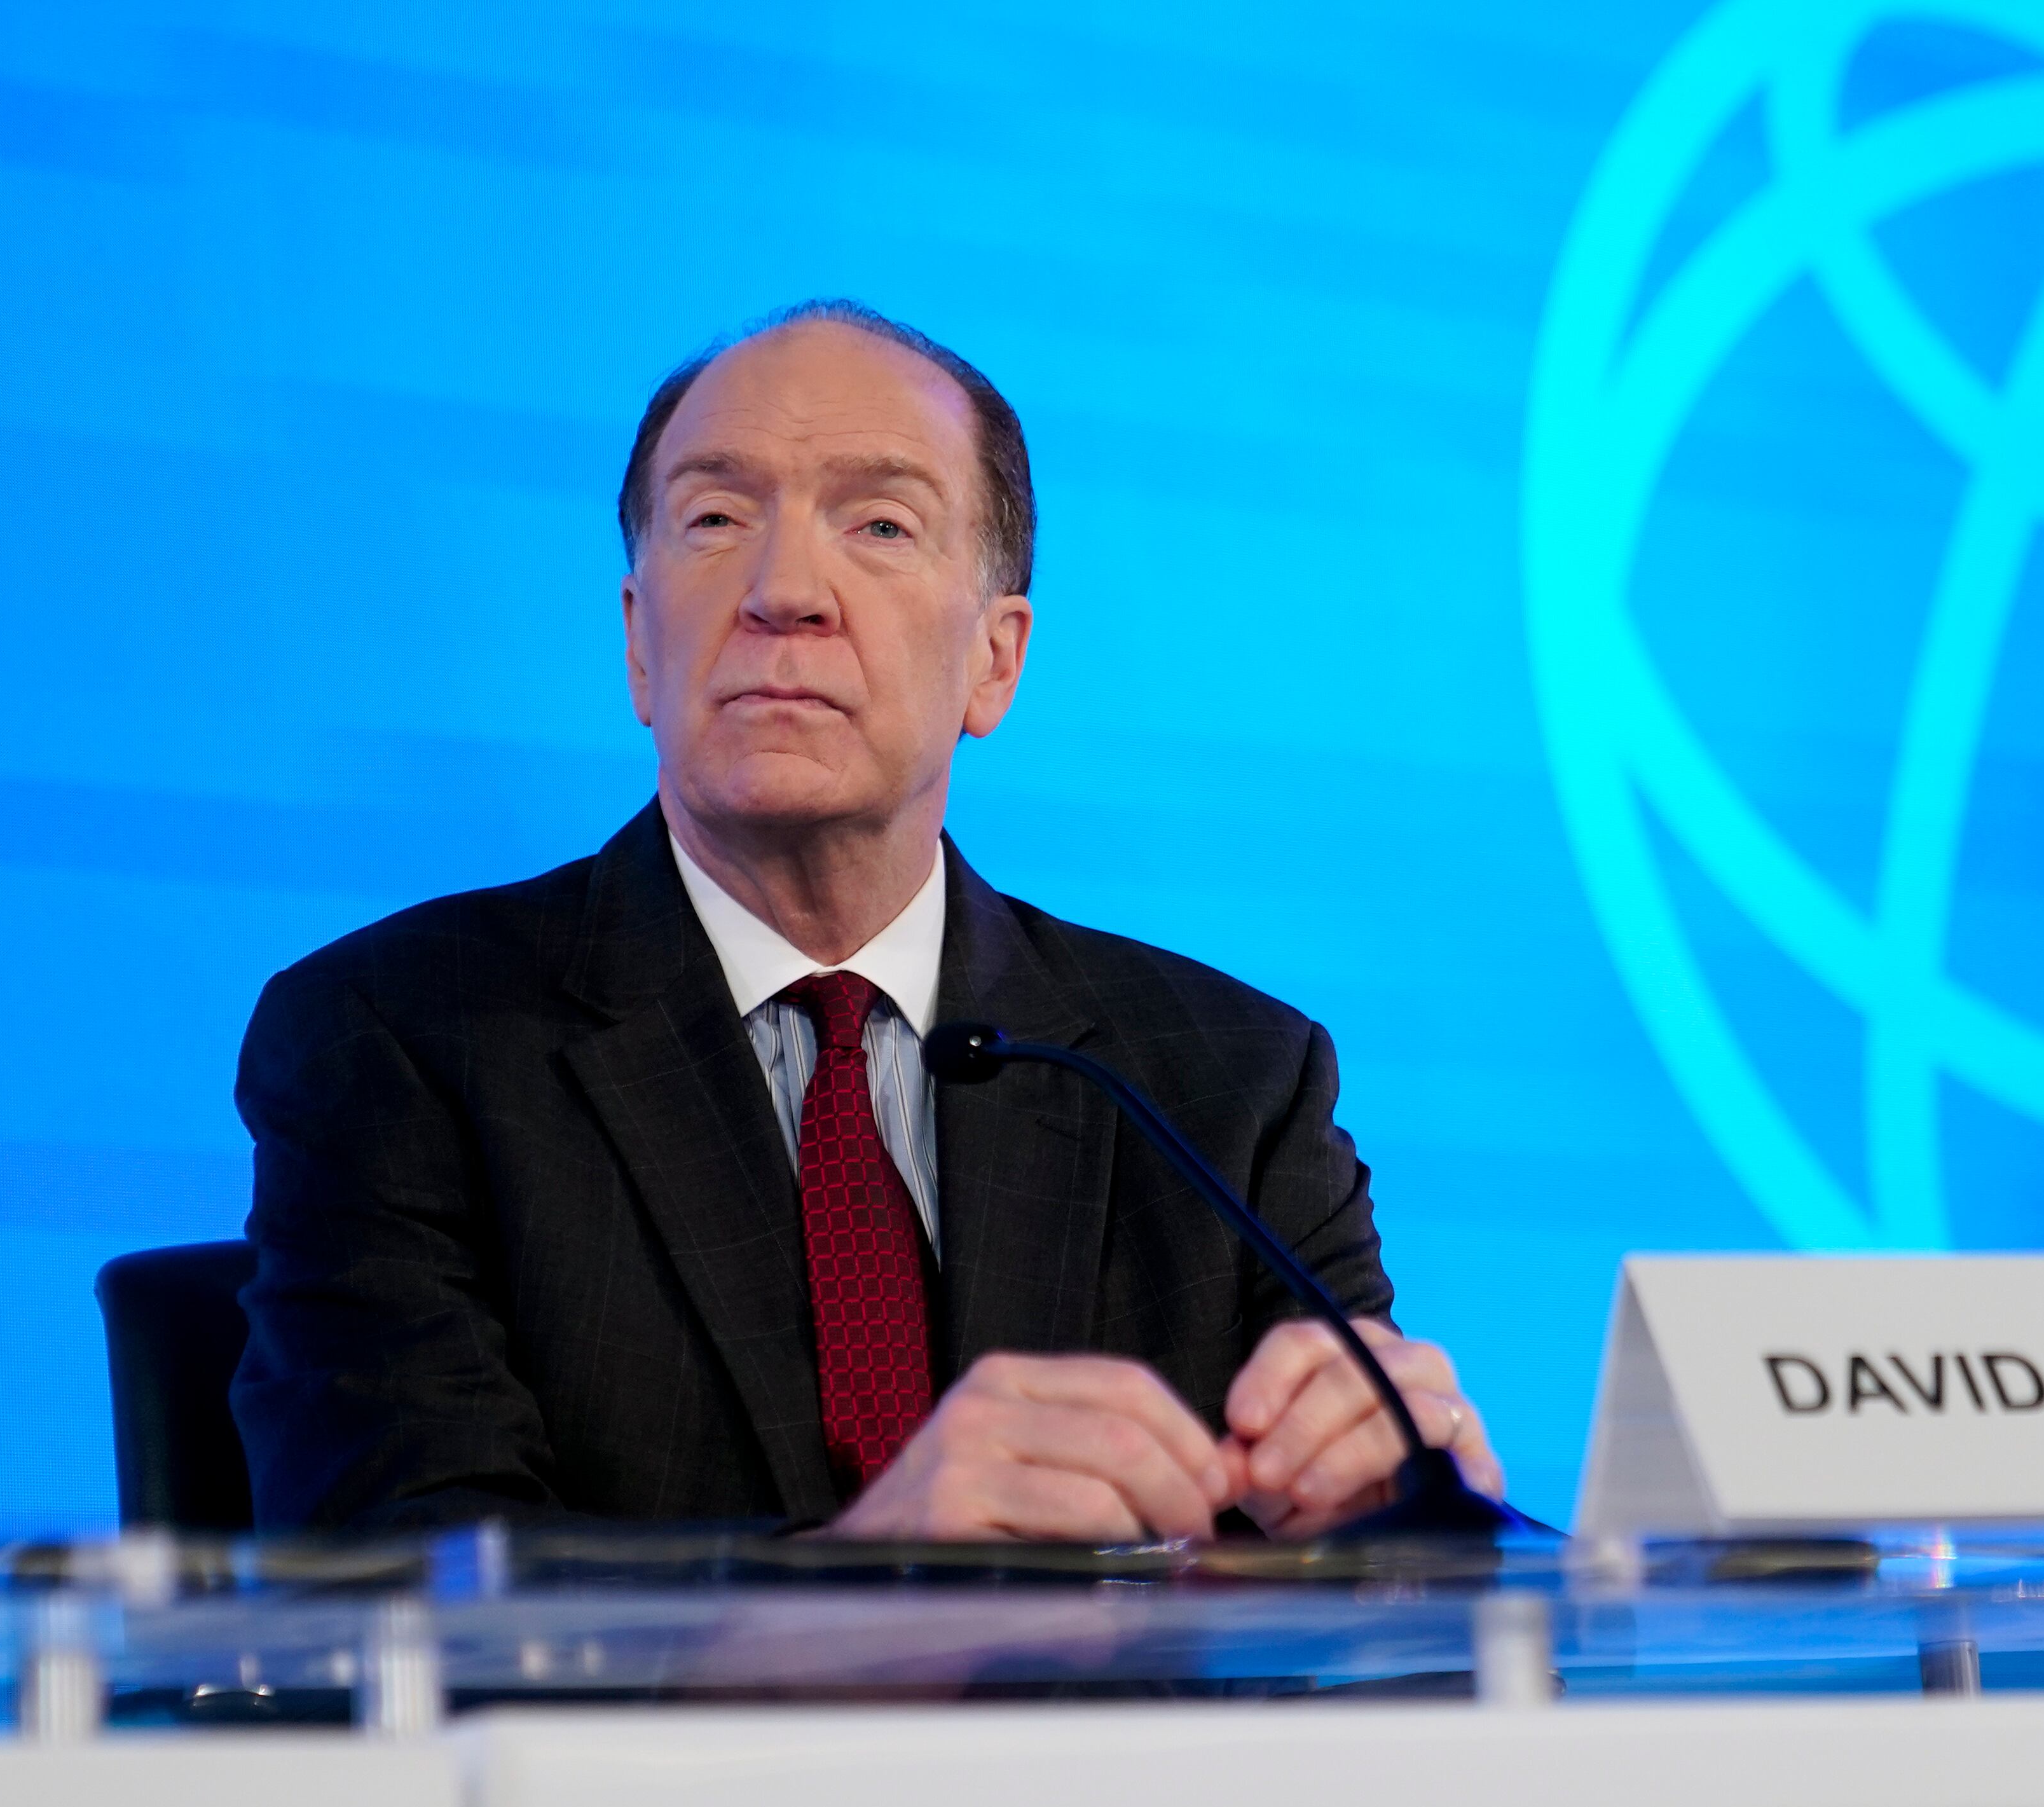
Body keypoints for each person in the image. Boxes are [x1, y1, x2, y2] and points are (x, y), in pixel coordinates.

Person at [230, 299, 1502, 1540]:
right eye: (715, 519)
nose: (784, 589)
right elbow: (406, 1580)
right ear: (638, 643)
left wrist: (1410, 1512)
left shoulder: (1226, 1085)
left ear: (996, 659)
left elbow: (1384, 1580)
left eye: (880, 524)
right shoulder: (398, 1044)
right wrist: (870, 1575)